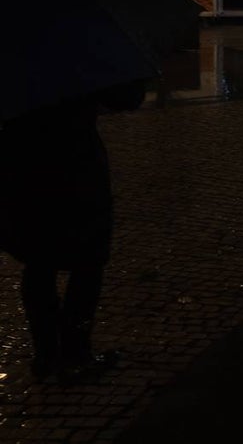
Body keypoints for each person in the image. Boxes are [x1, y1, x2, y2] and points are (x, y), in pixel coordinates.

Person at [0, 77, 149, 383]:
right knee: (87, 262)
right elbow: (126, 97)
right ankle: (75, 353)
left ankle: (46, 354)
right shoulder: (80, 60)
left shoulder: (14, 57)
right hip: (76, 167)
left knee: (39, 262)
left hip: (22, 168)